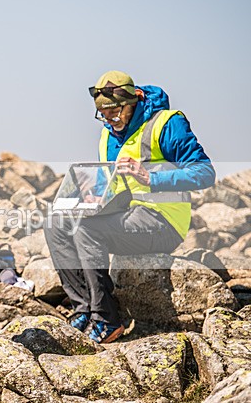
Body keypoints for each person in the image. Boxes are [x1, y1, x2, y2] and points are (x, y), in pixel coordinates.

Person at [45, 70, 215, 343]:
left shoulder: (167, 124)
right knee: (56, 223)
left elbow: (205, 173)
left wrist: (151, 178)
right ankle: (84, 309)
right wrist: (93, 198)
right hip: (122, 215)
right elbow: (111, 185)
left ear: (135, 99)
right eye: (104, 114)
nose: (110, 120)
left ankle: (106, 319)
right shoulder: (107, 135)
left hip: (162, 222)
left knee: (87, 230)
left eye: (116, 112)